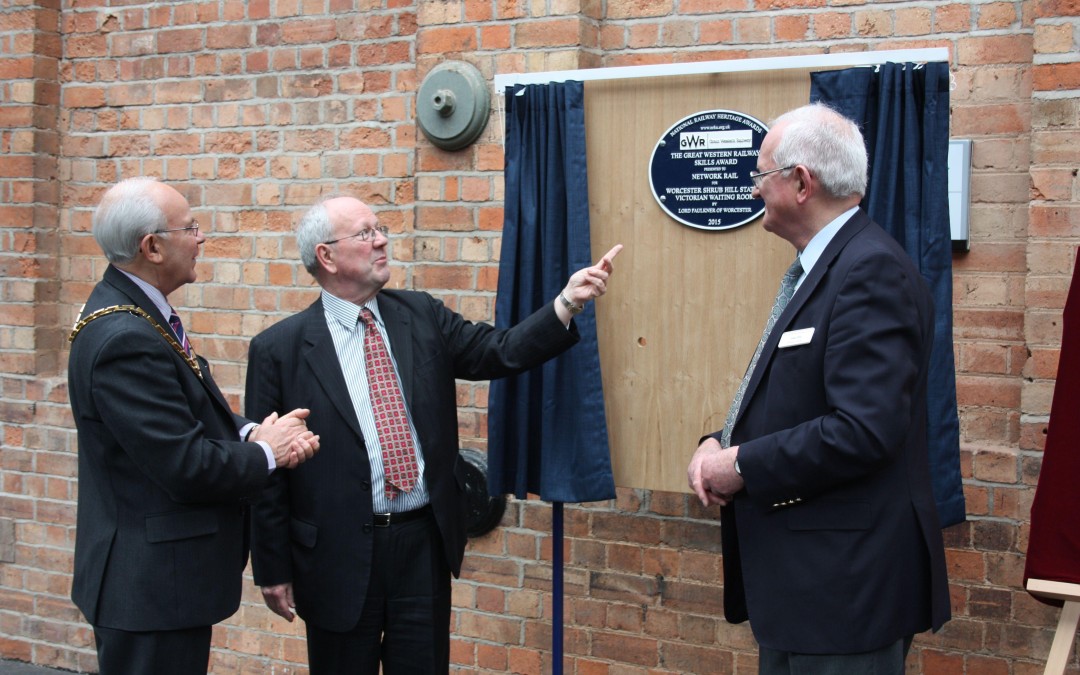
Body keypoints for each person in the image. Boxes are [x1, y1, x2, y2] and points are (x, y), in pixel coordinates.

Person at [245, 194, 622, 673]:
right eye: (365, 233)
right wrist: (273, 569)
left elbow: (496, 350)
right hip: (336, 557)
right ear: (326, 256)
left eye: (380, 228)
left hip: (422, 544)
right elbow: (267, 473)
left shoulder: (419, 314)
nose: (382, 239)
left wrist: (565, 303)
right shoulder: (279, 349)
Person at [686, 103, 950, 674]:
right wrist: (720, 440)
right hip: (808, 589)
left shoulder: (869, 270)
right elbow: (794, 395)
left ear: (801, 182)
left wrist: (742, 466)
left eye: (760, 176)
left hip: (844, 591)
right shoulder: (827, 266)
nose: (754, 191)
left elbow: (863, 430)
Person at [67, 177, 320, 675]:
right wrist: (269, 452)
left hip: (161, 586)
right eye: (191, 227)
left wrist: (250, 431)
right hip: (149, 590)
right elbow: (184, 464)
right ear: (153, 247)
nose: (201, 238)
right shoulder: (125, 337)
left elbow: (182, 415)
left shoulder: (138, 315)